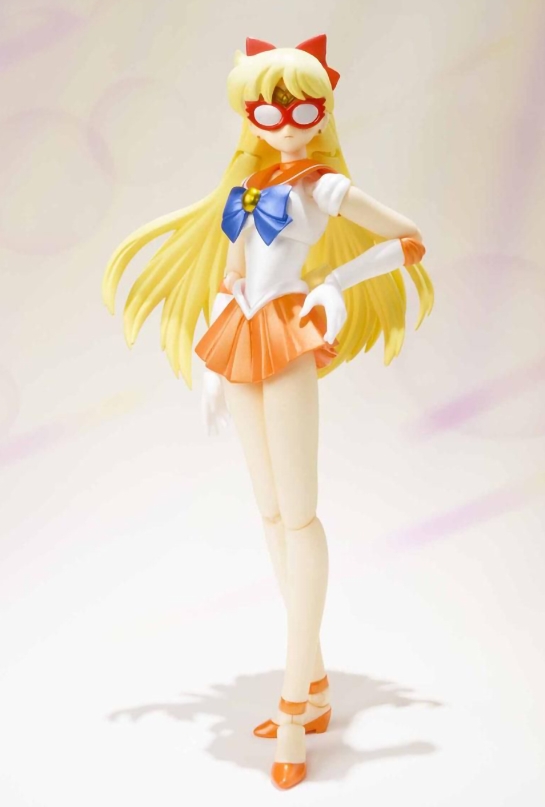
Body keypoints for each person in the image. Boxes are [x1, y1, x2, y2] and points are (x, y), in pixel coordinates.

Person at [102, 34, 433, 790]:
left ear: (323, 113)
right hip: (239, 339)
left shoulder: (324, 187)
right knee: (271, 514)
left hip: (287, 335)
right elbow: (231, 277)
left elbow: (409, 240)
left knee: (300, 516)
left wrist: (335, 284)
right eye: (266, 110)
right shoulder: (242, 190)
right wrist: (208, 366)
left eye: (302, 109)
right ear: (248, 115)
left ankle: (292, 703)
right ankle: (313, 681)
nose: (284, 122)